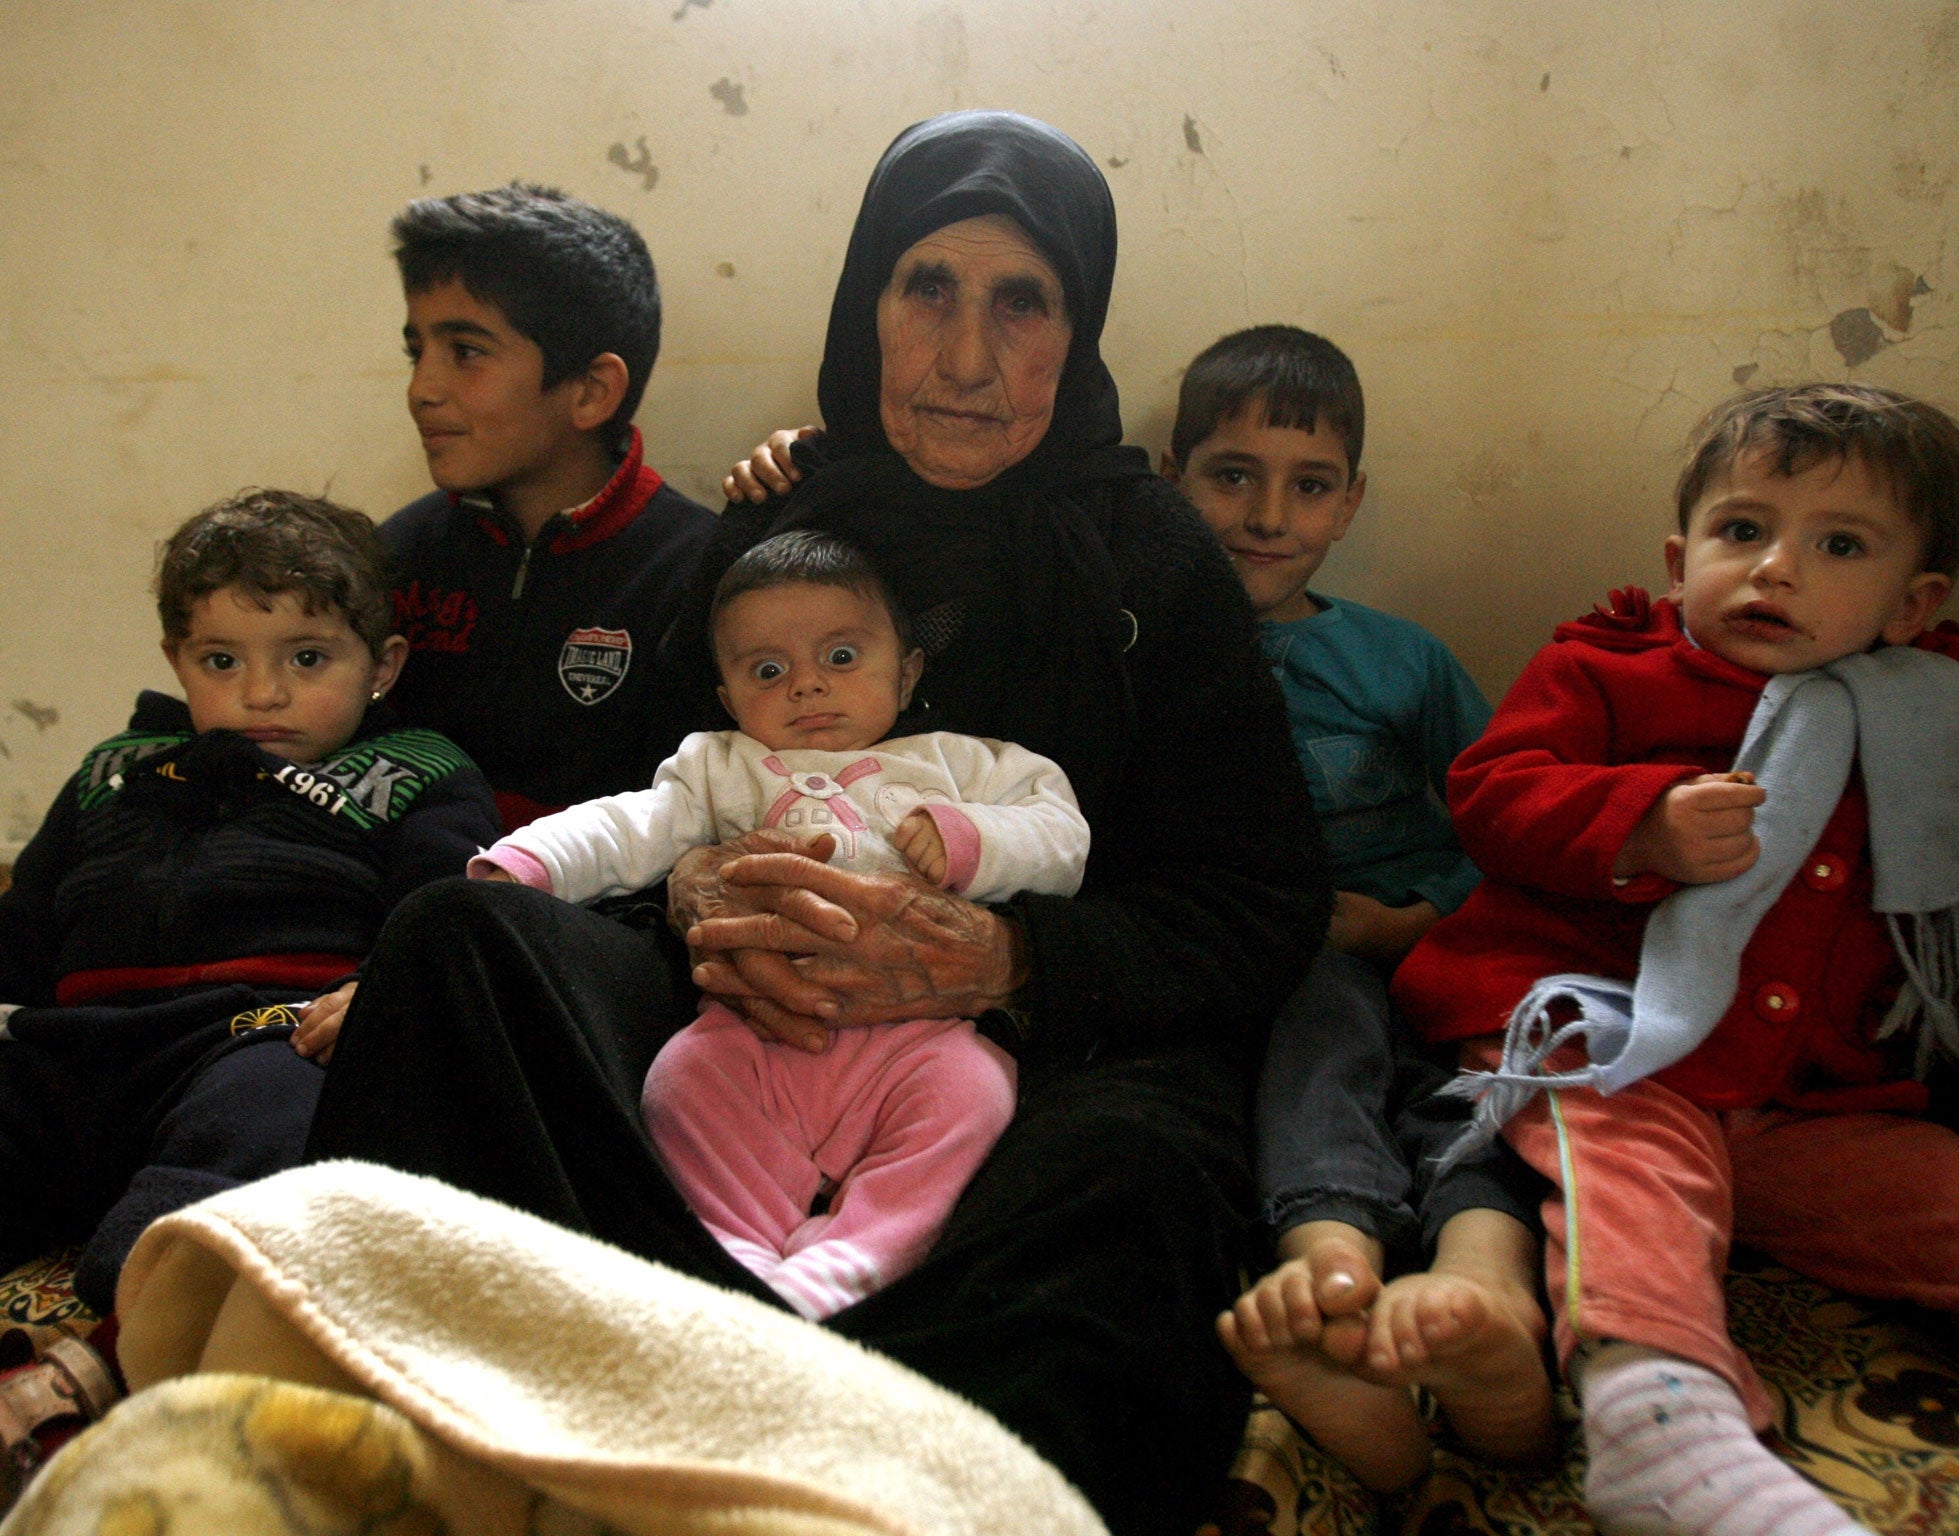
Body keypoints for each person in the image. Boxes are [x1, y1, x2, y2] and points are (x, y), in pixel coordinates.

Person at [304, 111, 1328, 1536]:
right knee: (459, 945)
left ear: (1075, 327)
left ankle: (825, 1457)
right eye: (928, 291)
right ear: (867, 307)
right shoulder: (784, 516)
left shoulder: (1152, 558)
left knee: (1142, 1184)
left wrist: (1008, 964)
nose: (968, 357)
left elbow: (1259, 900)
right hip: (738, 1029)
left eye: (1021, 302)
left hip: (1020, 1061)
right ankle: (618, 1398)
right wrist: (696, 895)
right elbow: (653, 793)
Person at [1392, 384, 1959, 1536]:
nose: (1774, 568)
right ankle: (1662, 1429)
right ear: (1678, 553)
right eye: (1740, 531)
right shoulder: (1604, 670)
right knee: (1627, 1191)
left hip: (1823, 1102)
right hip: (1623, 1049)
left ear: (1913, 602)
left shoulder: (1955, 720)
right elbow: (1488, 795)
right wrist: (1635, 824)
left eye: (1836, 545)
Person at [472, 530, 1088, 1319]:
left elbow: (1062, 834)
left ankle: (850, 1264)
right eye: (769, 670)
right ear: (729, 698)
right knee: (681, 1086)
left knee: (975, 1097)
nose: (806, 687)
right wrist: (525, 865)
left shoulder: (959, 765)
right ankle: (736, 1264)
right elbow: (629, 826)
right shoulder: (720, 767)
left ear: (906, 674)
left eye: (841, 657)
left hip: (920, 1034)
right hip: (753, 1026)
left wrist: (976, 840)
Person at [0, 491, 495, 1467]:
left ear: (382, 665)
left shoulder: (418, 769)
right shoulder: (113, 770)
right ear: (179, 662)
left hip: (260, 1037)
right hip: (74, 1055)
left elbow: (444, 908)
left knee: (275, 1126)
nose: (262, 694)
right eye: (221, 662)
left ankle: (107, 1358)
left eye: (306, 660)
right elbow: (23, 932)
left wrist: (384, 991)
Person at [1156, 326, 1552, 1489]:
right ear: (1173, 479)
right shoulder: (1148, 655)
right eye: (1230, 475)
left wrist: (1413, 922)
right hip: (1293, 966)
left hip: (1435, 951)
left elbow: (1507, 827)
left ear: (1348, 504)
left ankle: (1483, 1296)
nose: (1266, 515)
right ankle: (1332, 1276)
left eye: (1308, 485)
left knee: (1485, 1090)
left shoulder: (1402, 663)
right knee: (1315, 1036)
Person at [377, 181, 717, 832]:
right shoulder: (393, 557)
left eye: (466, 352)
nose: (422, 389)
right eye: (416, 351)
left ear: (591, 391)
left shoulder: (698, 575)